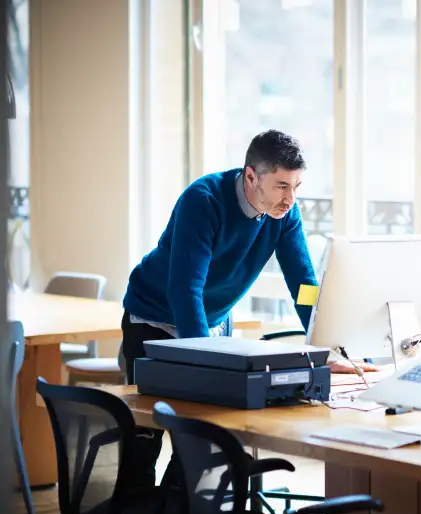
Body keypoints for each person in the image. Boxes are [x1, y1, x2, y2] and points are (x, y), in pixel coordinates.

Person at [120, 129, 376, 380]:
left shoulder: (285, 214)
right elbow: (186, 290)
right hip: (155, 319)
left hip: (214, 321)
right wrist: (206, 358)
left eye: (296, 186)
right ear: (251, 177)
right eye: (282, 186)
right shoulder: (203, 201)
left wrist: (329, 350)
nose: (290, 199)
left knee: (215, 418)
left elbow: (302, 286)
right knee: (153, 418)